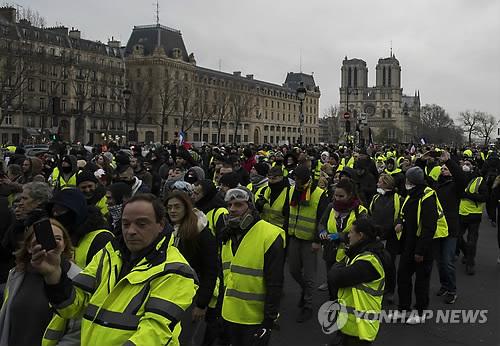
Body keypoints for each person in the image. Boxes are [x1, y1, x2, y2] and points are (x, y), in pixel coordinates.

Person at [30, 193, 199, 345]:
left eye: (141, 224)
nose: (131, 231)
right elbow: (72, 307)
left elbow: (154, 333)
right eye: (126, 224)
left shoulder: (175, 269)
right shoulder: (109, 254)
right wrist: (53, 274)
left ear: (161, 224)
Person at [220, 187, 285, 346]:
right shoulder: (228, 234)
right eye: (229, 205)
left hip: (254, 320)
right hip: (228, 315)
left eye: (238, 205)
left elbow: (275, 282)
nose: (232, 209)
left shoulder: (270, 235)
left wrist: (268, 321)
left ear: (250, 207)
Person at [0, 218, 78, 346]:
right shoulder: (16, 275)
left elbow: (76, 333)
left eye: (58, 239)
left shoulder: (77, 277)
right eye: (39, 241)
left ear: (64, 245)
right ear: (30, 247)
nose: (51, 243)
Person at [394, 167, 448, 324]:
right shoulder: (411, 195)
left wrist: (420, 251)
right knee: (403, 277)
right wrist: (399, 222)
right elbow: (403, 214)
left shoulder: (427, 197)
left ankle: (420, 312)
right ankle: (404, 309)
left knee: (421, 281)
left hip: (423, 247)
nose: (405, 182)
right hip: (409, 244)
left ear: (412, 182)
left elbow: (429, 227)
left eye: (407, 180)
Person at [165, 191, 219, 345]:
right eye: (169, 207)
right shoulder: (169, 231)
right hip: (170, 293)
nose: (172, 211)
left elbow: (210, 270)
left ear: (187, 208)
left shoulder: (202, 233)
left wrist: (201, 304)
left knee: (187, 339)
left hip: (193, 296)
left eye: (177, 207)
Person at [327, 219, 386, 346]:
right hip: (350, 325)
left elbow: (335, 277)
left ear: (360, 236)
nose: (348, 236)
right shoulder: (360, 254)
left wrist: (342, 260)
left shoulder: (368, 262)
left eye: (351, 232)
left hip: (360, 329)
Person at [287, 165, 328, 322]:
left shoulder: (318, 194)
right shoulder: (292, 191)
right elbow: (288, 212)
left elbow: (322, 219)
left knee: (310, 275)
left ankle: (308, 305)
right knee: (293, 270)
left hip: (310, 240)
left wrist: (318, 240)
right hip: (294, 236)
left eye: (297, 178)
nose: (295, 181)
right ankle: (305, 290)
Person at [319, 178, 368, 298]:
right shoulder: (331, 206)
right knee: (331, 281)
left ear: (350, 195)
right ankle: (333, 304)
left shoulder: (360, 211)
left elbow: (363, 233)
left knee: (345, 286)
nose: (337, 199)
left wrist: (340, 236)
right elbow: (322, 222)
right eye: (336, 195)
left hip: (349, 254)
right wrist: (322, 231)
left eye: (341, 196)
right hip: (330, 250)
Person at [433, 151, 465, 303]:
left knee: (447, 261)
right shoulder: (437, 185)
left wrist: (449, 161)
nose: (443, 169)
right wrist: (421, 161)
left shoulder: (455, 186)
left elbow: (461, 178)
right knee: (439, 261)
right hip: (438, 228)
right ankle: (444, 285)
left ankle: (452, 290)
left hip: (451, 229)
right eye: (442, 168)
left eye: (446, 168)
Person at [368, 174, 400, 303]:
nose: (377, 184)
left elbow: (400, 214)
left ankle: (390, 290)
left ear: (386, 184)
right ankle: (377, 289)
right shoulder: (376, 197)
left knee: (389, 265)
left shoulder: (397, 198)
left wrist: (399, 223)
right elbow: (371, 214)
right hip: (376, 237)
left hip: (390, 238)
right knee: (375, 264)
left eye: (380, 182)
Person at [458, 159, 488, 275]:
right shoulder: (460, 178)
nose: (465, 166)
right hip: (461, 213)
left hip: (474, 215)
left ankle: (470, 264)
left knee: (472, 241)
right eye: (463, 164)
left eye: (468, 164)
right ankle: (466, 253)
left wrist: (468, 195)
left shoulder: (479, 180)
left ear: (473, 167)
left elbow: (484, 197)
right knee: (457, 238)